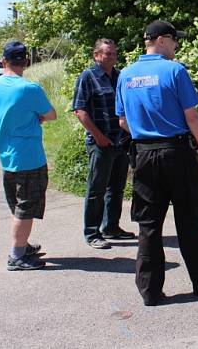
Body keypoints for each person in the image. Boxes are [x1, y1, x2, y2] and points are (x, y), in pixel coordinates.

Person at [116, 20, 198, 306]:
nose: (176, 46)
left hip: (143, 154)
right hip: (176, 152)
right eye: (175, 40)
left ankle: (150, 290)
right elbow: (192, 117)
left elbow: (123, 121)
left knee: (148, 225)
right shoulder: (175, 70)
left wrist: (145, 132)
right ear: (162, 40)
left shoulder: (125, 75)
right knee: (189, 220)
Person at [0, 42, 57, 271]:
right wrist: (38, 118)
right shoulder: (29, 88)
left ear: (3, 61)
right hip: (29, 156)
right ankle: (16, 255)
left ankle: (23, 245)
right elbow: (51, 114)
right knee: (26, 207)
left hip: (7, 154)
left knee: (17, 204)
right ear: (26, 62)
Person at [72, 38, 135, 250]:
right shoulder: (88, 77)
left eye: (114, 53)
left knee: (116, 188)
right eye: (108, 53)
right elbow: (80, 110)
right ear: (96, 55)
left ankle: (112, 227)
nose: (112, 57)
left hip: (120, 142)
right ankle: (92, 232)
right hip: (100, 143)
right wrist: (98, 136)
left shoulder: (120, 76)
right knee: (96, 189)